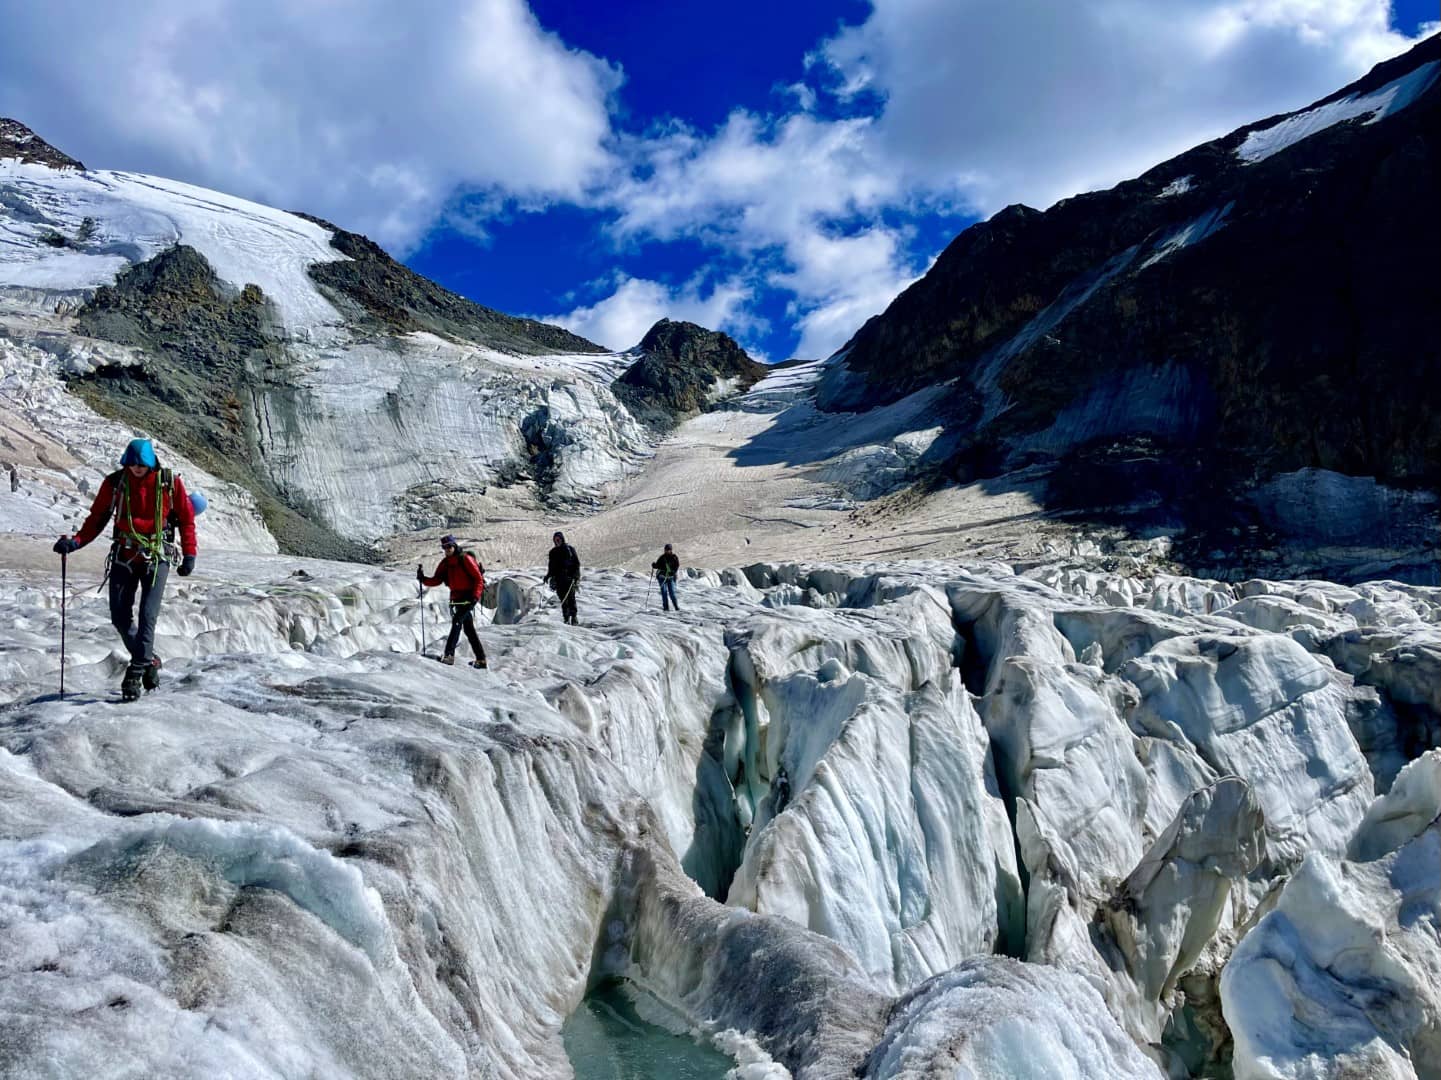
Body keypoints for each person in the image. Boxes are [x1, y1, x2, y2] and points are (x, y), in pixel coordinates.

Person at [52, 438, 197, 702]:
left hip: (156, 556)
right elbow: (97, 518)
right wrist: (75, 543)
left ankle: (136, 670)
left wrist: (190, 554)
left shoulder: (169, 482)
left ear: (150, 462)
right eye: (133, 464)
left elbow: (186, 520)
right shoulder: (116, 482)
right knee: (119, 616)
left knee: (147, 615)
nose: (137, 468)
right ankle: (149, 660)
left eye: (141, 464)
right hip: (123, 554)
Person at [418, 535, 487, 668]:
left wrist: (475, 597)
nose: (447, 549)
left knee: (457, 623)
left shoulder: (465, 559)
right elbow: (437, 579)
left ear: (454, 546)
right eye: (445, 547)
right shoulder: (446, 563)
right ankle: (481, 660)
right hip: (457, 598)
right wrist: (423, 579)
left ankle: (449, 655)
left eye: (449, 546)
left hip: (468, 597)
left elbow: (478, 579)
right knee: (469, 630)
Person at [541, 530, 581, 625]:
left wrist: (576, 576)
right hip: (558, 579)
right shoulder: (553, 552)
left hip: (569, 578)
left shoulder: (570, 549)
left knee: (571, 598)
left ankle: (574, 616)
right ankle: (566, 618)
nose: (557, 541)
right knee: (563, 599)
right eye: (555, 540)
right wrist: (548, 575)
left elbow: (576, 564)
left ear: (562, 539)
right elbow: (551, 566)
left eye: (558, 539)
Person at [651, 543, 680, 612]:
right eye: (666, 550)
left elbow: (677, 566)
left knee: (672, 593)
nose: (666, 551)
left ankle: (676, 607)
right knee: (664, 593)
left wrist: (673, 572)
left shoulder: (674, 557)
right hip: (662, 577)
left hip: (671, 578)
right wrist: (654, 565)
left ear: (671, 550)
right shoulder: (662, 557)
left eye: (668, 550)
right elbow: (658, 565)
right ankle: (666, 608)